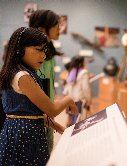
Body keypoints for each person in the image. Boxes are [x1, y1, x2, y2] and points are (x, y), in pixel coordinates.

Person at [0, 27, 78, 165]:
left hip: (21, 133)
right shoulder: (23, 77)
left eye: (44, 50)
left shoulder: (17, 73)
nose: (43, 55)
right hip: (25, 137)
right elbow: (52, 110)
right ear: (20, 49)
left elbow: (32, 115)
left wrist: (60, 128)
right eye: (38, 49)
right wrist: (69, 99)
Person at [29, 9, 62, 153]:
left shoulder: (49, 51)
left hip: (46, 113)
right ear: (41, 29)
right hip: (37, 116)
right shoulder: (33, 56)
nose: (59, 29)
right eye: (56, 26)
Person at [63, 56, 92, 127]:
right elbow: (86, 88)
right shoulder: (84, 72)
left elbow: (67, 88)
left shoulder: (71, 71)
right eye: (84, 62)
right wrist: (88, 100)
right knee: (79, 122)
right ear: (81, 63)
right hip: (79, 100)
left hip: (70, 100)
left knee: (72, 120)